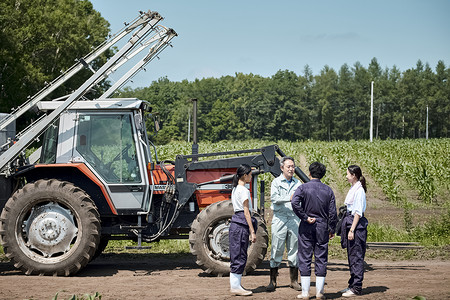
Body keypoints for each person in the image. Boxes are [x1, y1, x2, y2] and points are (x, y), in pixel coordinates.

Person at [291, 162, 337, 300]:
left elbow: (294, 202)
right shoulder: (328, 190)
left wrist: (304, 217)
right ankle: (320, 292)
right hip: (322, 226)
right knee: (321, 257)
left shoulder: (303, 188)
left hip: (306, 225)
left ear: (309, 173)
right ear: (322, 175)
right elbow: (333, 213)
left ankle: (305, 293)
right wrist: (332, 228)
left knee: (305, 257)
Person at [266, 156, 302, 292]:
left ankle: (293, 281)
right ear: (282, 168)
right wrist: (290, 198)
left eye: (293, 166)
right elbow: (274, 198)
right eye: (289, 167)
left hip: (294, 218)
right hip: (280, 218)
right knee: (276, 248)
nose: (291, 169)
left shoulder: (298, 184)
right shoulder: (276, 182)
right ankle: (273, 281)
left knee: (294, 249)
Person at [229, 164, 257, 296]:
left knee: (237, 253)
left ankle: (236, 285)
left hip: (235, 222)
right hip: (241, 223)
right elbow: (246, 212)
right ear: (245, 175)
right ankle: (235, 286)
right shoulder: (244, 190)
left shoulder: (235, 189)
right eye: (250, 174)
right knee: (240, 254)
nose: (251, 177)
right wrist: (252, 231)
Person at [340, 165, 368, 298]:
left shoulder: (359, 191)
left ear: (354, 175)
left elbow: (358, 213)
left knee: (356, 257)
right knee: (352, 256)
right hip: (351, 221)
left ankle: (357, 287)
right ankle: (352, 285)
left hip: (355, 225)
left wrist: (352, 230)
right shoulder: (354, 188)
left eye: (348, 174)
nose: (346, 176)